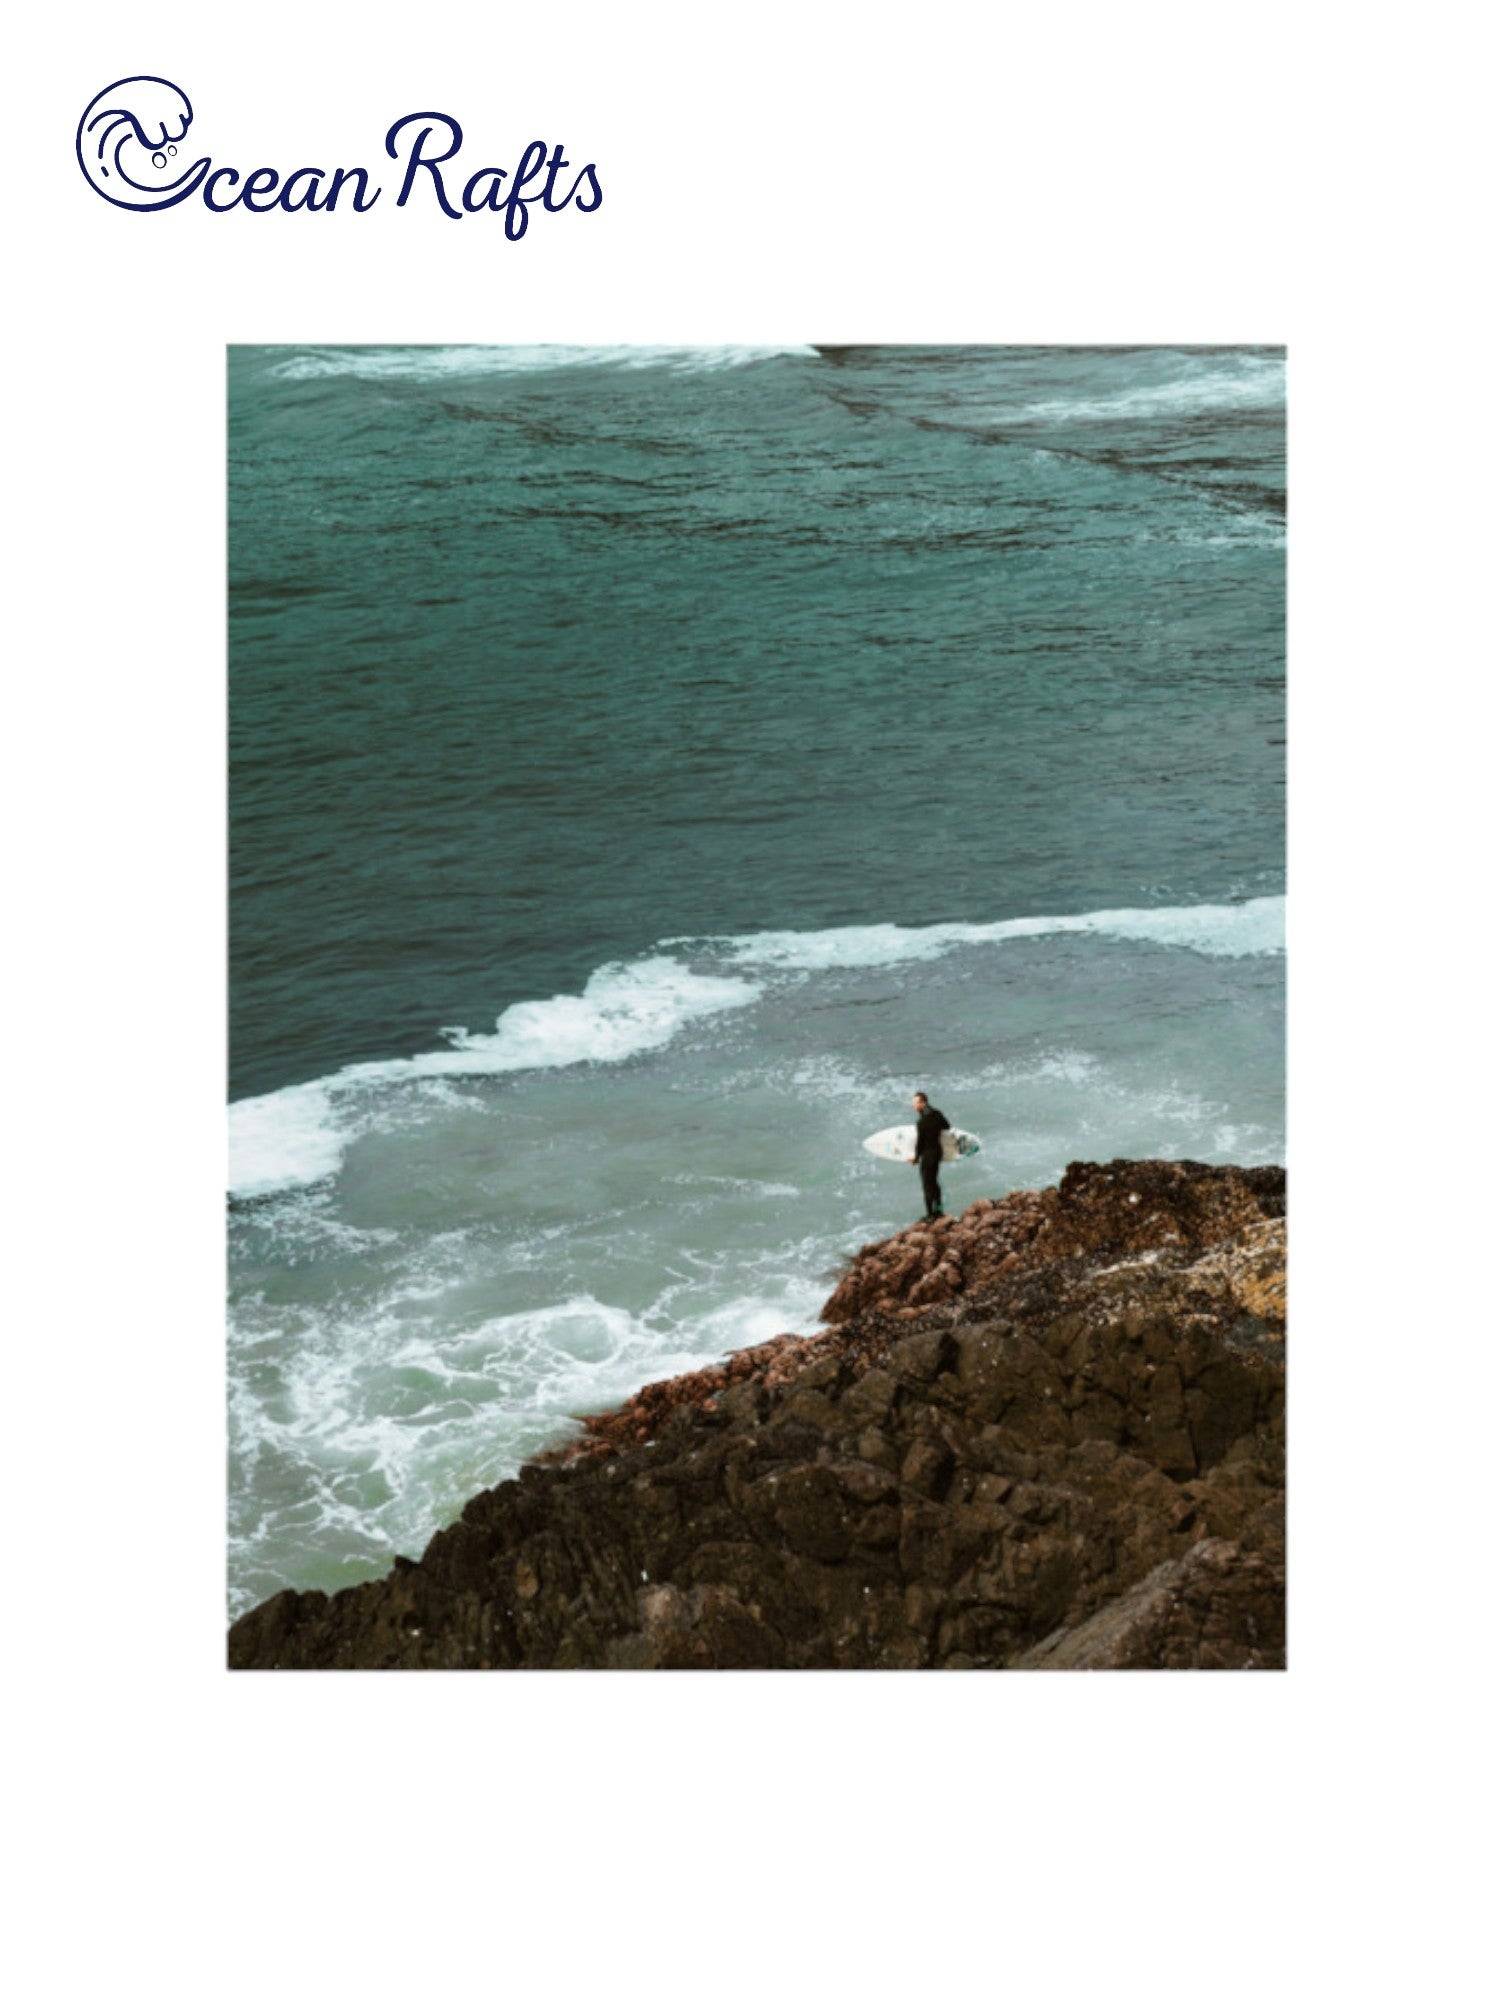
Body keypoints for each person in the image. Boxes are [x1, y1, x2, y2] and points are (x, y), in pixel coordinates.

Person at [910, 1090, 951, 1220]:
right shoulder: (937, 1113)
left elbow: (920, 1144)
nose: (913, 1106)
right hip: (938, 1153)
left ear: (923, 1103)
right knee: (934, 1182)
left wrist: (916, 1158)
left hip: (928, 1156)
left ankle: (930, 1215)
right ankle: (939, 1210)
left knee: (927, 1185)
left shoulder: (921, 1122)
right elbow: (947, 1126)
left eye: (915, 1103)